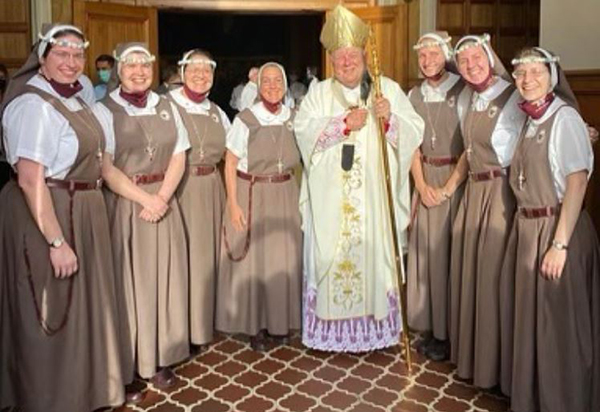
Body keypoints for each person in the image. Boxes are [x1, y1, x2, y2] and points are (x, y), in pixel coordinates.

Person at [0, 23, 124, 411]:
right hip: (48, 213)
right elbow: (30, 178)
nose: (71, 63)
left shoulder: (75, 100)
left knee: (83, 305)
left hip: (81, 210)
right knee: (50, 305)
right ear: (42, 57)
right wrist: (56, 241)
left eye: (77, 55)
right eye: (61, 54)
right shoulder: (33, 105)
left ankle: (84, 389)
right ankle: (50, 398)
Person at [294, 5, 424, 352]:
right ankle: (330, 332)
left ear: (365, 56)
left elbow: (415, 132)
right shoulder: (319, 94)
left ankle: (374, 330)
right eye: (340, 58)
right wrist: (340, 126)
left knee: (373, 260)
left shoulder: (387, 90)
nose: (347, 63)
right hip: (330, 203)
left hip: (373, 203)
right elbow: (303, 133)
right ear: (331, 61)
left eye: (352, 56)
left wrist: (390, 120)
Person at [499, 47, 600, 412]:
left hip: (558, 231)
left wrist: (559, 244)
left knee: (559, 328)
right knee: (534, 326)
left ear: (552, 77)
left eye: (536, 73)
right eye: (521, 73)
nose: (527, 80)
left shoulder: (564, 118)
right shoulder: (529, 118)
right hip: (529, 230)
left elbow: (576, 183)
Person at [96, 42, 190, 400]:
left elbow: (179, 156)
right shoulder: (103, 110)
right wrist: (146, 199)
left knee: (163, 281)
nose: (139, 72)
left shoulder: (167, 105)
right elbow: (106, 168)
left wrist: (163, 197)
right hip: (126, 206)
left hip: (162, 204)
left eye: (145, 66)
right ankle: (130, 364)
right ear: (118, 70)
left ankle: (161, 356)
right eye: (131, 66)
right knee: (128, 285)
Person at [448, 34, 525, 388]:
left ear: (490, 57)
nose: (471, 66)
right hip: (473, 193)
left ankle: (499, 370)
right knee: (472, 277)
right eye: (463, 62)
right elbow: (467, 150)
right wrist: (450, 188)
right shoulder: (466, 98)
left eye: (477, 58)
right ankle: (475, 361)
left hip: (501, 194)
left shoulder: (513, 95)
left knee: (495, 279)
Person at [216, 62, 302, 351]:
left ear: (285, 85)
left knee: (281, 259)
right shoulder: (246, 119)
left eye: (278, 81)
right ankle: (256, 327)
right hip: (253, 191)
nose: (273, 86)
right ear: (258, 85)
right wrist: (233, 203)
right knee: (256, 261)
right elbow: (229, 162)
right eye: (267, 81)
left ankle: (279, 323)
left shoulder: (295, 117)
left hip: (285, 192)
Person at [406, 32, 466, 361]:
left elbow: (470, 147)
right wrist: (421, 184)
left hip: (453, 181)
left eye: (433, 54)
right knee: (428, 255)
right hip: (425, 178)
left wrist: (447, 189)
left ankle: (450, 332)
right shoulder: (414, 95)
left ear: (446, 55)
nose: (428, 61)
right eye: (422, 56)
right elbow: (411, 145)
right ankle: (431, 326)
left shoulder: (463, 89)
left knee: (450, 256)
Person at [168, 49, 231, 351]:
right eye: (194, 69)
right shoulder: (166, 106)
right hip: (180, 188)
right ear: (182, 72)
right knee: (182, 260)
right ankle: (183, 328)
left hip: (211, 188)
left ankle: (204, 323)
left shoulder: (218, 112)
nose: (201, 75)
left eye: (207, 70)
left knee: (207, 259)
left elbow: (235, 154)